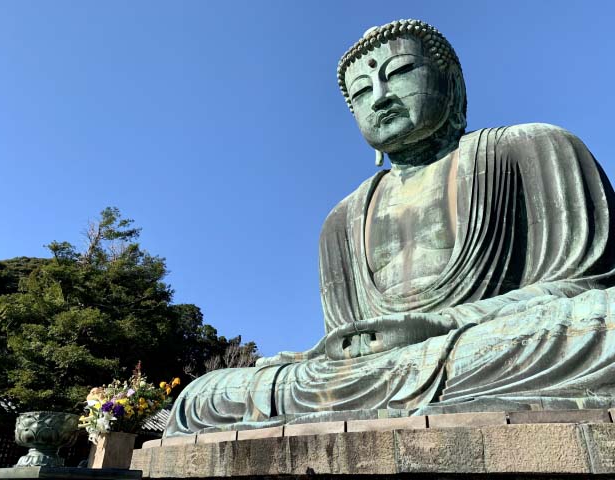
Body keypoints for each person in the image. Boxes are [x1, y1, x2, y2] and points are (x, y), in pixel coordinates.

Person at [165, 19, 615, 436]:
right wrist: (327, 354)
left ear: (452, 86)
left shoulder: (532, 147)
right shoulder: (342, 220)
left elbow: (585, 285)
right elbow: (348, 347)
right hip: (382, 371)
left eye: (398, 73)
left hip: (487, 344)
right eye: (361, 92)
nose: (379, 97)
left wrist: (437, 325)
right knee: (203, 397)